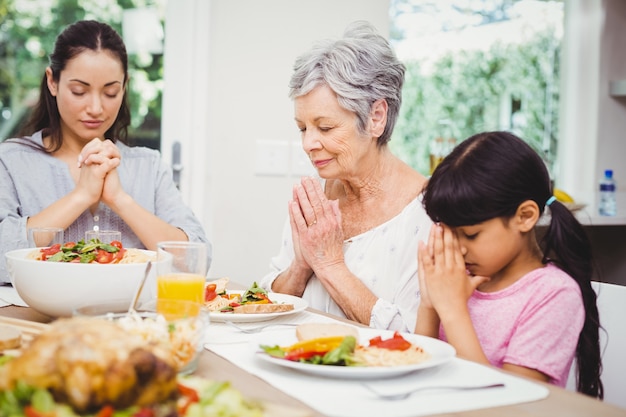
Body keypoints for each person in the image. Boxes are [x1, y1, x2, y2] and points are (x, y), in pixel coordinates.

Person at [0, 20, 211, 282]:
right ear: (52, 82)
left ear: (124, 86)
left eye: (110, 92)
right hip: (37, 320)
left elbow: (196, 261)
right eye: (79, 91)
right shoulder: (11, 161)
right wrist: (81, 195)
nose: (96, 108)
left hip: (131, 319)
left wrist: (120, 199)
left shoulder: (148, 165)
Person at [258, 21, 431, 332]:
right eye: (302, 128)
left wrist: (329, 265)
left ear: (377, 117)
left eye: (325, 127)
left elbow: (415, 339)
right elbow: (266, 308)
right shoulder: (315, 199)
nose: (308, 143)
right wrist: (300, 266)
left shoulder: (428, 213)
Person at [415, 131, 603, 398]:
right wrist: (429, 306)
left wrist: (453, 310)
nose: (458, 248)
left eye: (470, 234)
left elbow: (507, 403)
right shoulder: (459, 279)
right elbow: (419, 372)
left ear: (525, 217)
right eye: (448, 233)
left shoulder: (554, 294)